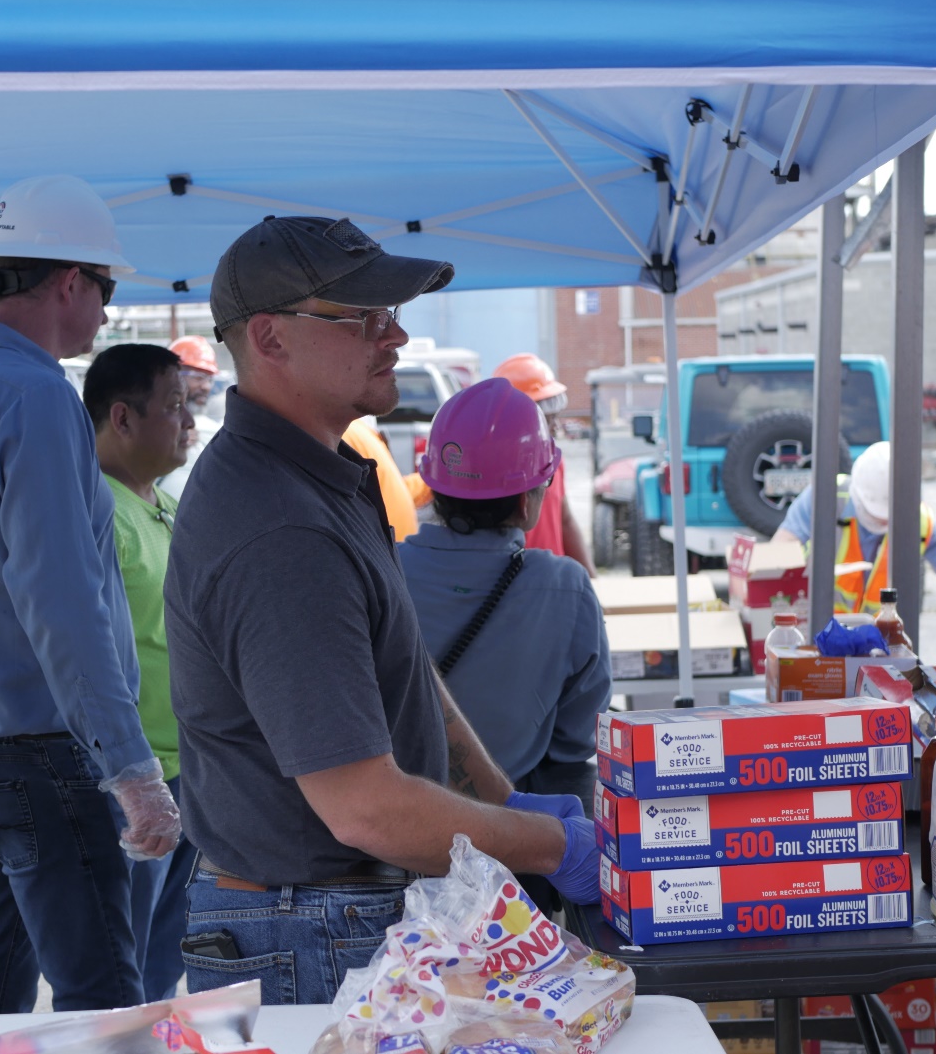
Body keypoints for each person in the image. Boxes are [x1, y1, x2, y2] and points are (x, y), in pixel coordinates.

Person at [164, 215, 600, 1006]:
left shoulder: (323, 474)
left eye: (392, 313)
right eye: (363, 318)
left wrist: (500, 798)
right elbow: (365, 808)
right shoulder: (280, 526)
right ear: (269, 338)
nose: (394, 335)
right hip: (308, 924)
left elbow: (401, 662)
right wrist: (547, 844)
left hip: (325, 912)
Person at [0, 175, 181, 1016]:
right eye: (106, 288)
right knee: (103, 1004)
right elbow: (63, 601)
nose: (104, 315)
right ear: (69, 282)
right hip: (38, 753)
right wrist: (131, 767)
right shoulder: (37, 396)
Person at [399, 377, 610, 814]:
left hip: (396, 838)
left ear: (434, 488)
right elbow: (576, 743)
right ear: (525, 504)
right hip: (515, 845)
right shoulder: (565, 588)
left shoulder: (380, 573)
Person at [85, 343, 200, 1005]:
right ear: (122, 418)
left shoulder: (161, 501)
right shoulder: (95, 508)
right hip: (129, 778)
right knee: (121, 962)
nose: (186, 423)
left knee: (166, 953)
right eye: (174, 407)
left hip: (184, 765)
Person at [773, 441, 936, 674]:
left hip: (876, 660)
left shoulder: (918, 520)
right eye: (875, 516)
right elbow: (774, 558)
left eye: (887, 518)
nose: (882, 523)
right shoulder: (825, 498)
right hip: (817, 651)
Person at [490, 353, 596, 577]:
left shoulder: (553, 461)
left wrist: (592, 578)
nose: (555, 427)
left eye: (555, 417)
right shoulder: (491, 471)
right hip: (513, 589)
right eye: (547, 419)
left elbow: (565, 521)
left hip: (554, 584)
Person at [157, 335, 223, 501]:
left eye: (209, 379)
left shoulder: (209, 429)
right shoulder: (148, 424)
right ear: (173, 375)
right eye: (198, 377)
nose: (207, 386)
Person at [342, 415, 417, 540]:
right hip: (385, 552)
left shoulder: (357, 431)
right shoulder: (347, 433)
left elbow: (390, 491)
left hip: (394, 552)